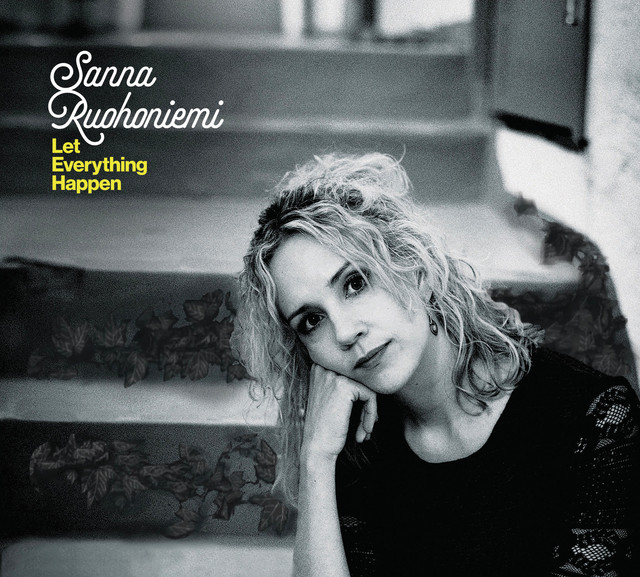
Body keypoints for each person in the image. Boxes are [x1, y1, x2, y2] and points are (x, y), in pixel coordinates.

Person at [234, 152, 640, 577]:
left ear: (417, 270)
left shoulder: (595, 418)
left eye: (355, 283)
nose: (345, 332)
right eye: (311, 321)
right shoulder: (355, 446)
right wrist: (317, 458)